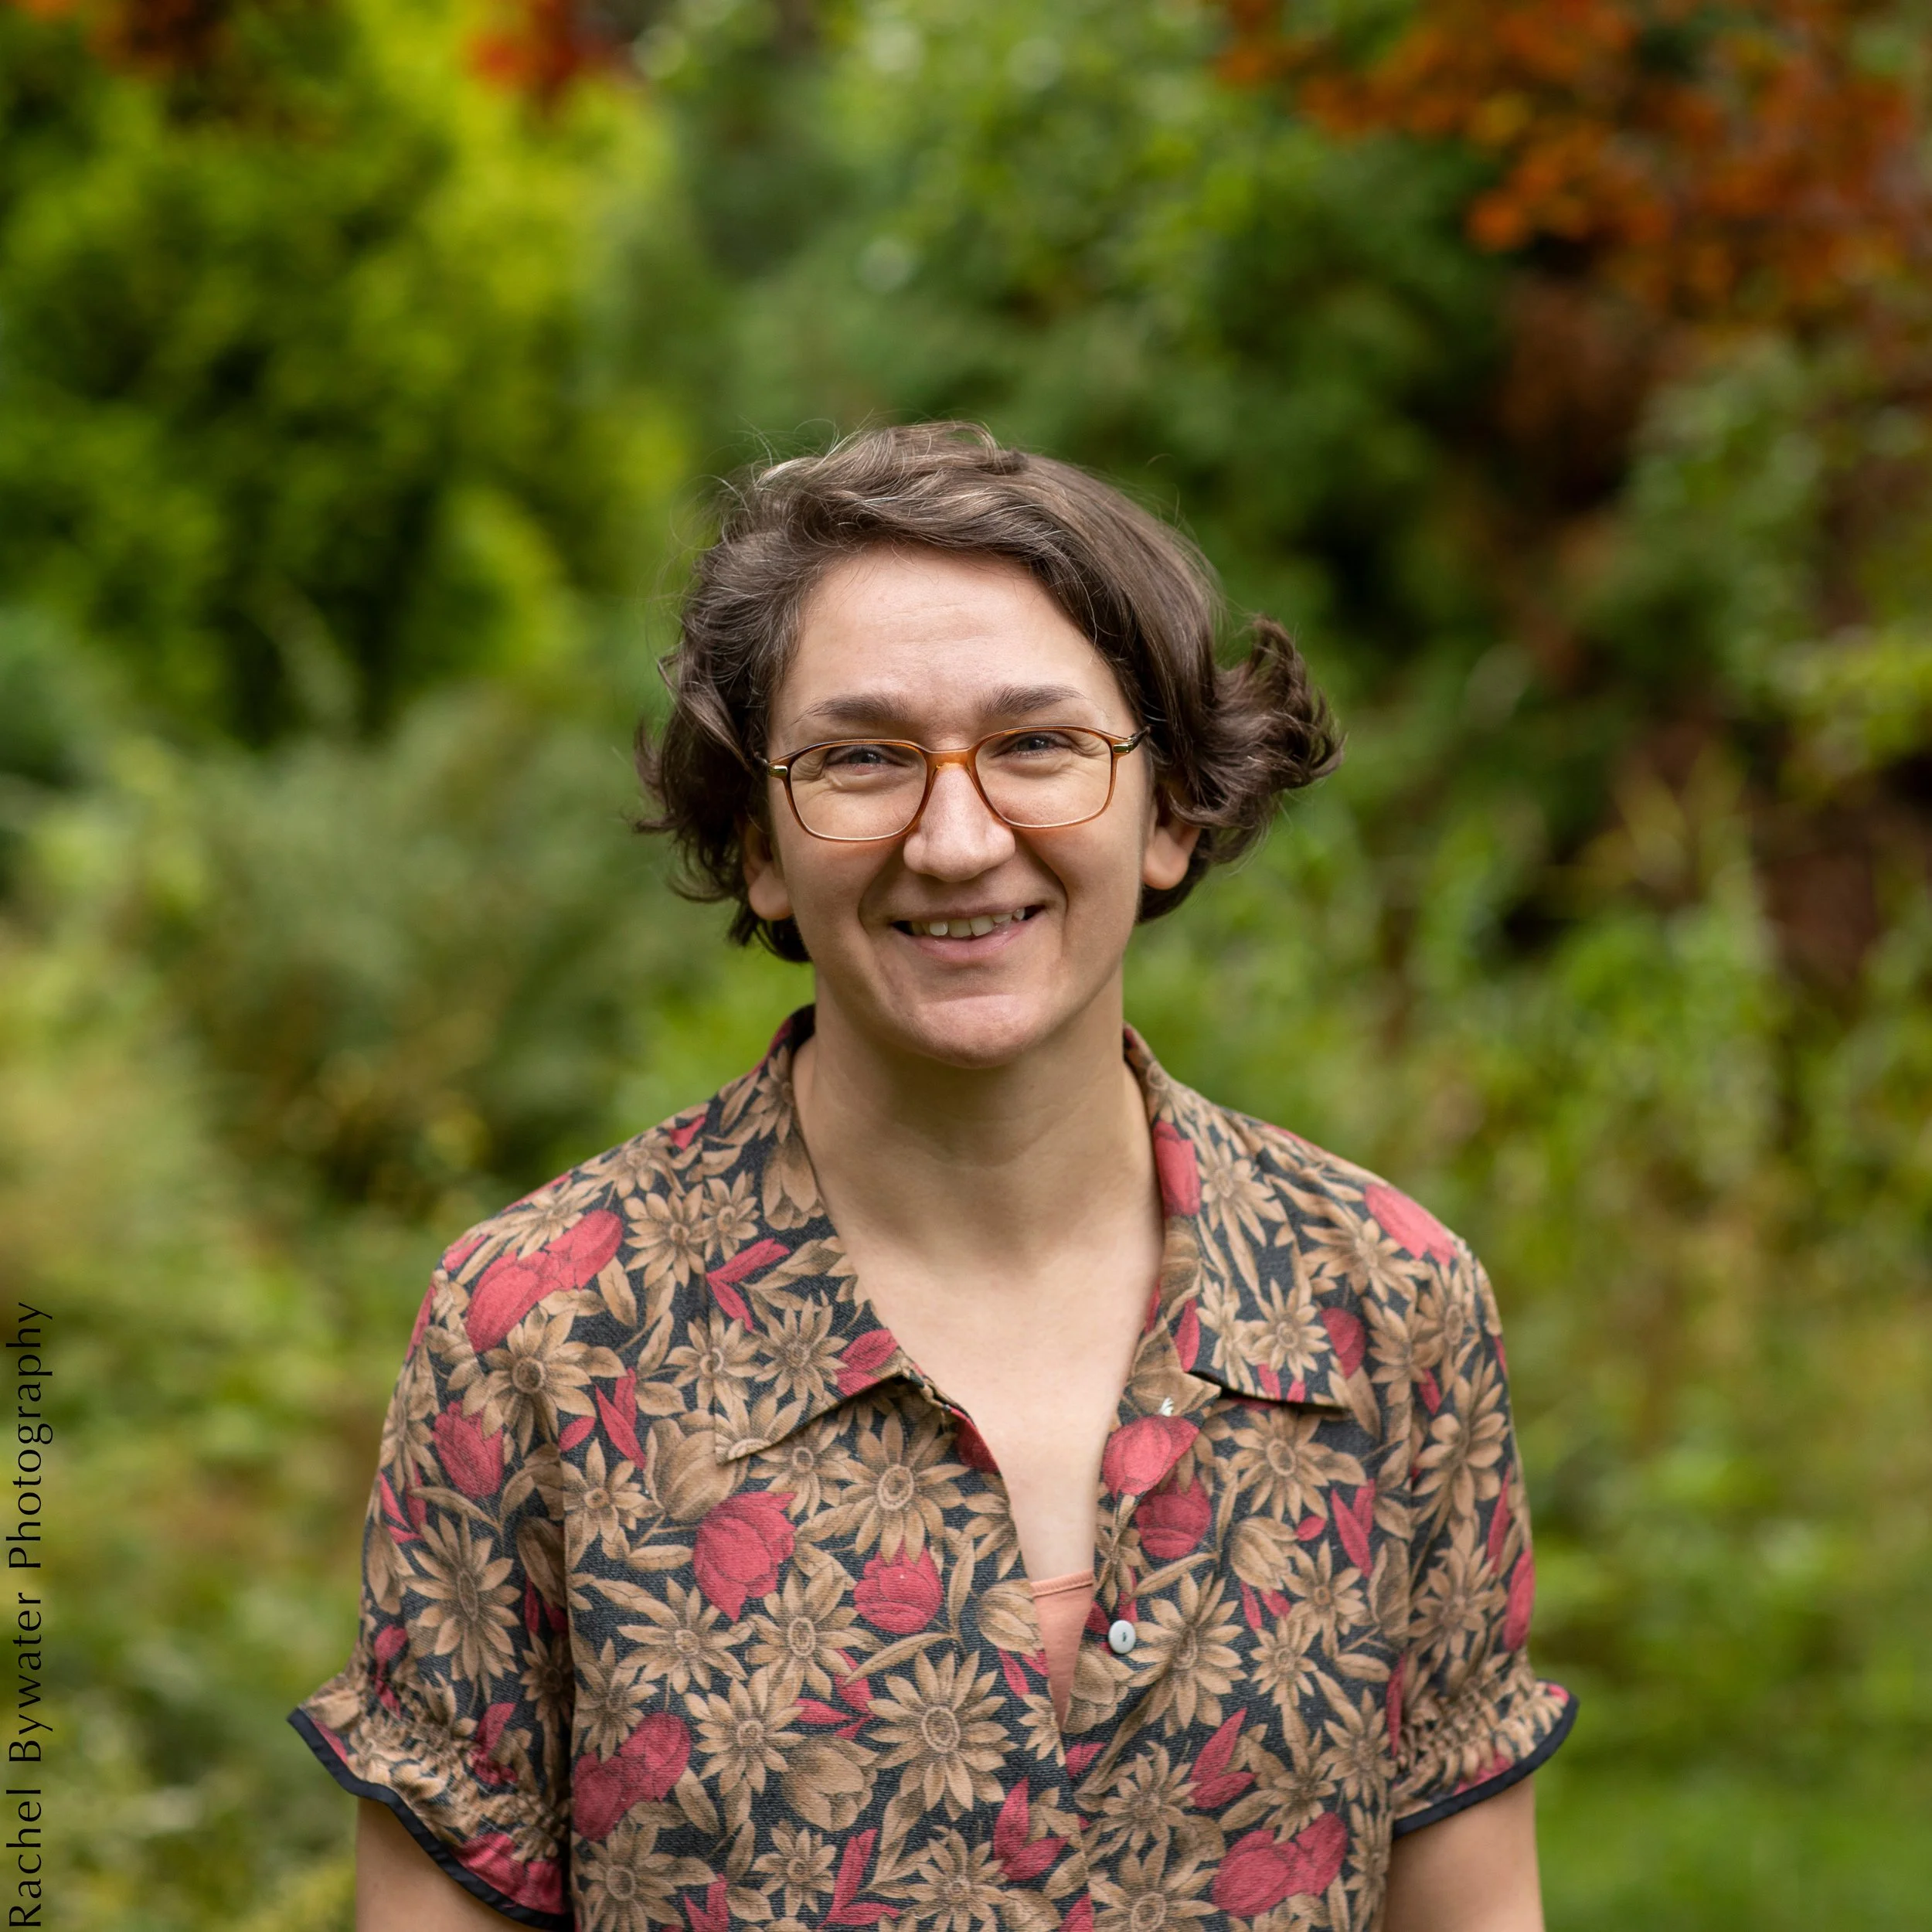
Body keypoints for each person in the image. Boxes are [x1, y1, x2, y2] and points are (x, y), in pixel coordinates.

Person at [292, 422, 1575, 1932]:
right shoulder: (542, 1329)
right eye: (859, 757)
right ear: (759, 844)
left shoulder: (1382, 1300)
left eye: (1036, 744)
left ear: (1166, 809)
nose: (956, 837)